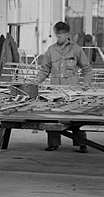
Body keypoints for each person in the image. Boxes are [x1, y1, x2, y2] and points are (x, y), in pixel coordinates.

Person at [34, 21, 93, 153]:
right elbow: (45, 70)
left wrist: (86, 83)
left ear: (67, 35)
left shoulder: (76, 49)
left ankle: (81, 143)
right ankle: (53, 143)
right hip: (55, 90)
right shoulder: (51, 50)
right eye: (57, 36)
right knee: (52, 116)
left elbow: (87, 69)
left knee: (76, 118)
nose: (58, 38)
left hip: (72, 90)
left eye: (60, 36)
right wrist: (36, 81)